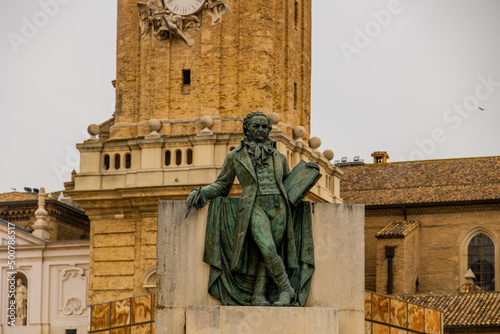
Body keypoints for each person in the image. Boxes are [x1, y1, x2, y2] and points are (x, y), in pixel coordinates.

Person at [188, 111, 317, 306]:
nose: (261, 130)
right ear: (247, 129)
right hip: (254, 206)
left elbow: (289, 185)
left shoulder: (279, 157)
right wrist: (202, 192)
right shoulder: (235, 156)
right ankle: (286, 289)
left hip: (279, 206)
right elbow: (223, 185)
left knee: (265, 253)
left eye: (265, 127)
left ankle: (258, 295)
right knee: (268, 247)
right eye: (256, 126)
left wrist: (307, 173)